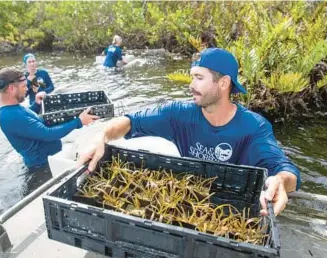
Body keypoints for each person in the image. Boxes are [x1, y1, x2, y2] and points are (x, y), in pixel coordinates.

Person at [78, 48, 301, 217]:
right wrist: (102, 136)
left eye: (199, 78)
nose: (190, 85)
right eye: (192, 76)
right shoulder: (179, 113)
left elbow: (286, 170)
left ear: (223, 83)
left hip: (231, 207)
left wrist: (280, 181)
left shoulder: (254, 127)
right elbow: (129, 122)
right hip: (186, 199)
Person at [0, 67, 100, 170]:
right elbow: (48, 134)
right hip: (43, 166)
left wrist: (36, 105)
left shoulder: (12, 108)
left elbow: (27, 119)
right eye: (24, 86)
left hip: (50, 159)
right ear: (11, 88)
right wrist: (79, 122)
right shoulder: (10, 116)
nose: (27, 89)